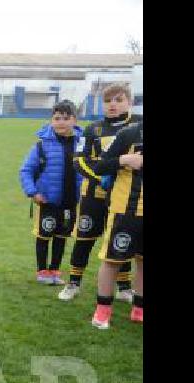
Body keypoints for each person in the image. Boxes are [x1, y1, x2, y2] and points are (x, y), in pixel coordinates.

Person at [58, 83, 140, 302]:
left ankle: (124, 287)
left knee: (123, 240)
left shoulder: (138, 127)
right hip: (93, 195)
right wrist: (102, 179)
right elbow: (79, 161)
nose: (112, 105)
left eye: (118, 100)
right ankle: (73, 283)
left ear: (129, 102)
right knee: (84, 237)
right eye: (108, 101)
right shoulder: (93, 129)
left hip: (126, 197)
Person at [18, 100, 84, 286]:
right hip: (47, 201)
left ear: (74, 120)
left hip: (70, 201)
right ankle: (42, 271)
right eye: (57, 118)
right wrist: (32, 192)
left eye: (66, 118)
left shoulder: (82, 144)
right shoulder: (41, 145)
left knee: (62, 236)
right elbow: (26, 170)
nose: (61, 122)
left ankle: (55, 269)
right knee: (44, 235)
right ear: (51, 120)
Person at [89, 119, 144, 329]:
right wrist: (125, 159)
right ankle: (102, 310)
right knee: (113, 260)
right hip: (126, 211)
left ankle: (139, 309)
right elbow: (100, 165)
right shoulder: (128, 134)